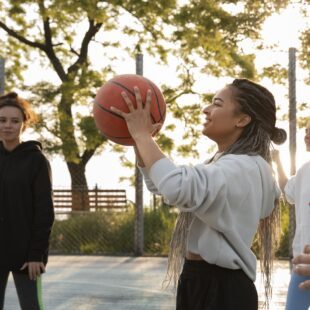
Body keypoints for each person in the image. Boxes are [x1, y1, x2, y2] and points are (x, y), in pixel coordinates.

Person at [110, 78, 286, 309]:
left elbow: (176, 187)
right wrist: (139, 141)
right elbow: (163, 186)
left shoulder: (243, 167)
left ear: (242, 119)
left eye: (217, 103)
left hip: (222, 288)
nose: (206, 109)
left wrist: (143, 136)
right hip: (200, 279)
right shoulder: (229, 164)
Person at [0, 92, 54, 310]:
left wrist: (36, 254)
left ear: (24, 124)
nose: (7, 126)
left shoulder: (36, 160)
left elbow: (44, 211)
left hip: (26, 255)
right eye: (2, 120)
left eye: (15, 121)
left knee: (31, 307)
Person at [272, 120, 310, 309]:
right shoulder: (304, 170)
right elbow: (287, 189)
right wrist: (277, 161)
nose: (307, 135)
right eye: (307, 131)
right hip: (302, 264)